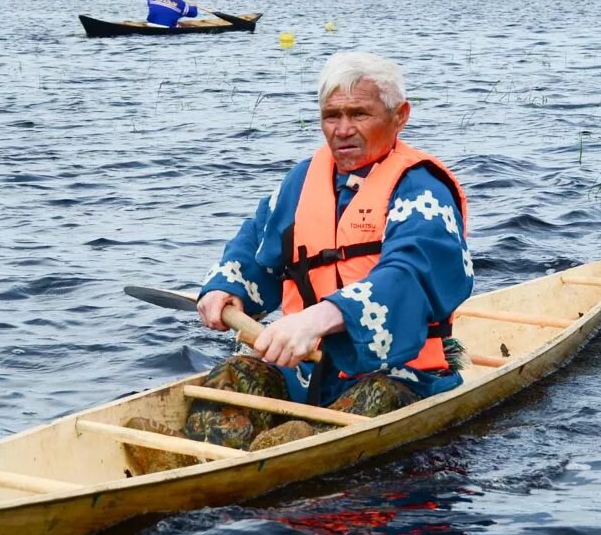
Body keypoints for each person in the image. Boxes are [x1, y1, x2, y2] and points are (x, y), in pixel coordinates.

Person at [124, 52, 473, 471]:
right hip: (305, 372)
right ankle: (196, 462)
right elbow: (255, 248)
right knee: (232, 377)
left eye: (359, 114)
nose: (343, 130)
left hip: (400, 372)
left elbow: (409, 276)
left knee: (371, 402)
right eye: (331, 116)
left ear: (400, 116)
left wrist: (317, 320)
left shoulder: (421, 190)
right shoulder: (303, 179)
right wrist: (224, 287)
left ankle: (268, 456)